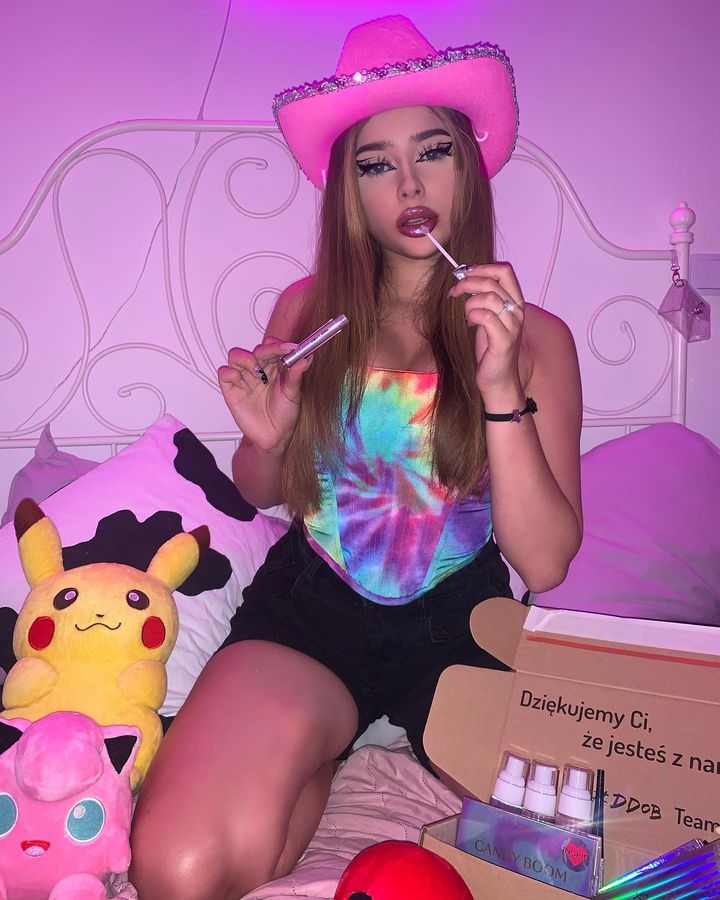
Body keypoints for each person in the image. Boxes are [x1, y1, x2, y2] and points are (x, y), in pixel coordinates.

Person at [129, 15, 582, 900]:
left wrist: (498, 386)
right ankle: (315, 754)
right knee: (178, 870)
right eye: (377, 164)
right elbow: (260, 488)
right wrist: (266, 440)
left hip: (466, 622)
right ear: (351, 188)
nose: (409, 183)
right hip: (313, 608)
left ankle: (321, 757)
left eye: (433, 152)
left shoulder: (536, 338)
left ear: (469, 166)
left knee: (570, 860)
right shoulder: (308, 310)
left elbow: (546, 564)